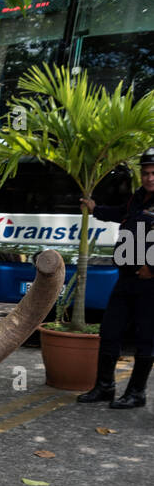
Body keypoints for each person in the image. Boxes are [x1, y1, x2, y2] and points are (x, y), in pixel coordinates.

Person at [77, 149, 154, 408]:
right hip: (126, 277)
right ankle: (105, 387)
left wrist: (151, 268)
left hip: (149, 281)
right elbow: (120, 212)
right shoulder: (138, 198)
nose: (149, 178)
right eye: (145, 173)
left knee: (146, 338)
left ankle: (137, 393)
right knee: (109, 331)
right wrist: (96, 209)